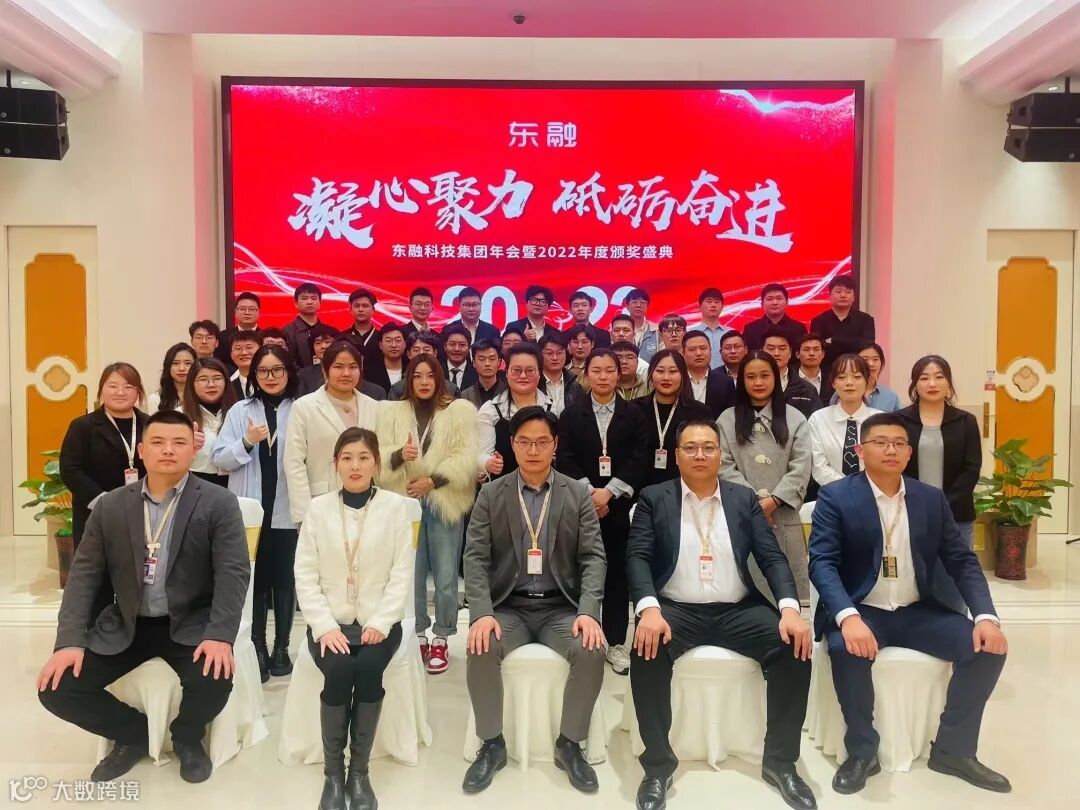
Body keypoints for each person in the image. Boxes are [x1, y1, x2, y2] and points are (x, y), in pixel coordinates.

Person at [39, 410, 248, 784]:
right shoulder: (111, 505)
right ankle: (132, 733)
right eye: (158, 442)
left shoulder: (218, 503)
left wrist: (220, 635)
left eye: (179, 442)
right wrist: (68, 641)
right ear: (141, 450)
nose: (168, 450)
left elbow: (233, 573)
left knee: (214, 678)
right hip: (128, 623)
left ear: (193, 450)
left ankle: (187, 738)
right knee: (58, 688)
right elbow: (84, 577)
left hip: (190, 623)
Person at [808, 413, 1011, 795]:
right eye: (880, 442)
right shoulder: (836, 497)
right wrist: (847, 617)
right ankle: (862, 752)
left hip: (917, 610)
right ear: (860, 450)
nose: (891, 449)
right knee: (845, 649)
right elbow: (822, 563)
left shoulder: (929, 499)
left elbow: (962, 561)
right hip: (863, 608)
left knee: (987, 649)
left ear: (909, 452)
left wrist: (986, 616)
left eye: (899, 443)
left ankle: (953, 750)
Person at [626, 418, 815, 810]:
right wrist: (649, 609)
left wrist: (790, 609)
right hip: (675, 609)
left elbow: (772, 558)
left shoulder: (742, 499)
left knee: (794, 645)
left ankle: (781, 763)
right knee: (646, 649)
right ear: (676, 455)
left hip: (737, 609)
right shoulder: (654, 497)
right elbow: (638, 557)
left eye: (708, 447)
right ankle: (657, 767)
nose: (700, 455)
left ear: (719, 453)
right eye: (691, 448)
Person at [462, 406, 607, 794]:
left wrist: (588, 612)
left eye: (542, 442)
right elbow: (475, 557)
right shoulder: (492, 493)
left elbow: (593, 557)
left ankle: (570, 744)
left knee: (592, 649)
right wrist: (481, 613)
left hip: (560, 606)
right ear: (512, 444)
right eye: (524, 442)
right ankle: (491, 744)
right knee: (480, 645)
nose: (533, 450)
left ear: (555, 445)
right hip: (509, 606)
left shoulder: (577, 493)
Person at [294, 427, 415, 810]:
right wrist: (324, 626)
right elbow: (304, 573)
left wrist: (381, 622)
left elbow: (402, 572)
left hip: (380, 622)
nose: (355, 465)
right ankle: (334, 774)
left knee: (367, 668)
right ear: (336, 464)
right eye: (346, 458)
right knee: (339, 668)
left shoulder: (394, 508)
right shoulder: (318, 509)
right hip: (330, 623)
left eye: (364, 457)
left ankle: (359, 773)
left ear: (376, 463)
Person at [375, 355, 478, 673]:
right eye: (417, 376)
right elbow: (377, 456)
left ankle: (442, 637)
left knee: (446, 577)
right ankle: (417, 633)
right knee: (411, 576)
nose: (423, 381)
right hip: (405, 503)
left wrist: (431, 481)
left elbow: (466, 457)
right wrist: (398, 455)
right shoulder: (390, 412)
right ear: (408, 380)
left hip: (443, 500)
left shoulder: (459, 411)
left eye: (429, 375)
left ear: (439, 379)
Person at [556, 349, 649, 674]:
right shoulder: (571, 414)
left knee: (616, 576)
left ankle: (616, 642)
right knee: (576, 571)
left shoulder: (634, 413)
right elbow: (565, 457)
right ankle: (578, 638)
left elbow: (640, 457)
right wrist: (589, 494)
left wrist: (608, 493)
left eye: (610, 370)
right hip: (579, 506)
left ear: (618, 373)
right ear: (586, 375)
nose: (604, 376)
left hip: (618, 508)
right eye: (597, 370)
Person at [214, 345, 300, 681]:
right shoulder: (240, 411)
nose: (270, 377)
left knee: (285, 579)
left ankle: (282, 648)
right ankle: (258, 647)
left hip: (288, 510)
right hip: (250, 514)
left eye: (277, 369)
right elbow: (220, 459)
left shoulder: (301, 409)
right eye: (263, 371)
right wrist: (247, 442)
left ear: (288, 371)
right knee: (256, 580)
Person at [717, 352, 813, 603]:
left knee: (788, 597)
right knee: (742, 595)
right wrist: (754, 502)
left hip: (783, 515)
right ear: (742, 381)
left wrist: (775, 500)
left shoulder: (795, 418)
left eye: (764, 375)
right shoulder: (727, 419)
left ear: (776, 378)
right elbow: (723, 465)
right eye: (750, 377)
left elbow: (802, 465)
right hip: (741, 513)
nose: (758, 382)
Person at [898, 356, 983, 614]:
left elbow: (971, 468)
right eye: (924, 378)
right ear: (915, 384)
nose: (932, 383)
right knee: (912, 580)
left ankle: (955, 628)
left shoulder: (965, 421)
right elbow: (896, 465)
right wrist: (917, 503)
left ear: (949, 383)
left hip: (956, 515)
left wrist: (942, 506)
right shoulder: (900, 420)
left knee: (954, 582)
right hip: (909, 512)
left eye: (938, 377)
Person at [286, 341, 381, 531]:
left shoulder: (372, 406)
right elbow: (294, 462)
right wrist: (304, 514)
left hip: (367, 503)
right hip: (321, 502)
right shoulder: (304, 407)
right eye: (338, 367)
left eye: (352, 367)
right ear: (324, 370)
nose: (346, 373)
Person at [60, 364, 149, 550]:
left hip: (143, 510)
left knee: (139, 561)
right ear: (101, 390)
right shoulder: (83, 426)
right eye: (113, 386)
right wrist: (103, 501)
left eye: (128, 386)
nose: (120, 392)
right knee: (96, 562)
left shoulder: (150, 425)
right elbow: (70, 469)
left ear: (138, 392)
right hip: (94, 511)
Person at [632, 349, 712, 488]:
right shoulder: (634, 409)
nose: (666, 377)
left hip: (685, 488)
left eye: (673, 371)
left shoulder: (699, 412)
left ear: (683, 375)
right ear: (651, 374)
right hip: (639, 488)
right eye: (660, 371)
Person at [477, 344, 553, 481]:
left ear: (539, 373)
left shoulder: (554, 408)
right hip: (503, 486)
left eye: (530, 370)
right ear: (506, 373)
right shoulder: (491, 409)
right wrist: (488, 463)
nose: (523, 376)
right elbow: (481, 453)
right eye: (516, 370)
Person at [807, 354, 881, 488]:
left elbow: (884, 462)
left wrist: (866, 488)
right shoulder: (818, 419)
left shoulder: (880, 420)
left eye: (857, 377)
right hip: (832, 493)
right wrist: (846, 490)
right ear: (833, 383)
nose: (849, 382)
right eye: (841, 377)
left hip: (873, 492)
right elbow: (819, 466)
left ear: (867, 381)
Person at [181, 357, 236, 488]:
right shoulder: (179, 416)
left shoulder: (239, 412)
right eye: (203, 379)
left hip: (235, 481)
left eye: (217, 378)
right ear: (192, 383)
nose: (211, 384)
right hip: (196, 483)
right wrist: (183, 442)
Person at [809, 275, 874, 376]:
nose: (843, 295)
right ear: (829, 296)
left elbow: (867, 345)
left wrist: (834, 340)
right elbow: (818, 350)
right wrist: (853, 343)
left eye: (848, 292)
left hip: (857, 372)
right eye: (838, 291)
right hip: (827, 373)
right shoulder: (818, 321)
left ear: (854, 297)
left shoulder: (865, 319)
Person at [761, 328, 822, 419]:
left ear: (790, 353)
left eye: (782, 348)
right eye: (771, 348)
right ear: (761, 351)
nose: (776, 353)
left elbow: (817, 421)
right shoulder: (751, 385)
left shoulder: (807, 389)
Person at [389, 330, 459, 399]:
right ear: (409, 354)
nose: (421, 354)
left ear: (435, 353)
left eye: (426, 350)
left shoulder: (451, 389)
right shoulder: (398, 390)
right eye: (416, 350)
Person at [682, 330, 735, 418]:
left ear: (710, 350)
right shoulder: (678, 381)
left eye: (703, 348)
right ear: (683, 353)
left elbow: (730, 416)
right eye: (692, 349)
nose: (698, 353)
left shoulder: (725, 382)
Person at [835, 342, 900, 412]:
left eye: (875, 359)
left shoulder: (891, 397)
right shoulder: (842, 392)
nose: (871, 364)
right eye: (865, 359)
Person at [743, 283, 807, 350]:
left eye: (779, 298)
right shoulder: (750, 329)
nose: (775, 303)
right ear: (762, 304)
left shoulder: (799, 328)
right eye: (770, 299)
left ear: (787, 302)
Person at [282, 281, 326, 371]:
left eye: (314, 298)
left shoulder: (329, 332)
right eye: (304, 298)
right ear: (296, 303)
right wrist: (306, 376)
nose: (309, 302)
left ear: (320, 302)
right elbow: (288, 362)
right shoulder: (287, 332)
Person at [539, 333, 584, 416]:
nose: (555, 357)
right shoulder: (534, 383)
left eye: (559, 353)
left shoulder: (575, 386)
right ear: (540, 355)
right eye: (549, 353)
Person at [341, 288, 385, 373]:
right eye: (357, 306)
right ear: (350, 309)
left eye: (365, 306)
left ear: (373, 310)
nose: (360, 309)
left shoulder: (382, 338)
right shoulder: (342, 338)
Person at [216, 291, 261, 366]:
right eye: (242, 309)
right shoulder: (222, 337)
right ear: (235, 312)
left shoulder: (265, 337)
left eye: (252, 309)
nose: (247, 312)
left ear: (259, 312)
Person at [148, 343, 196, 412]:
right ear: (168, 367)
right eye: (176, 363)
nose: (182, 368)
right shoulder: (156, 399)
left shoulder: (203, 395)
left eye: (188, 363)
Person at [459, 339, 507, 408]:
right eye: (482, 359)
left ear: (499, 362)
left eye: (492, 359)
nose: (487, 363)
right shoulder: (465, 395)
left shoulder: (508, 392)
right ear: (474, 363)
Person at [364, 323, 407, 392]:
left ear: (405, 344)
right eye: (388, 341)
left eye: (398, 341)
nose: (393, 345)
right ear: (380, 345)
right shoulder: (368, 373)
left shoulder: (412, 370)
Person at [694, 287, 729, 368]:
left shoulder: (731, 333)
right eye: (709, 301)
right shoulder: (690, 334)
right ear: (700, 306)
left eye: (717, 302)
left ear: (722, 307)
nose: (713, 305)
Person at [625, 288, 659, 362]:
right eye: (634, 302)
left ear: (647, 306)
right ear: (627, 306)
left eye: (642, 302)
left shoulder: (657, 330)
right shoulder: (619, 330)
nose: (638, 305)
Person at [442, 323, 478, 390]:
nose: (457, 349)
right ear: (445, 347)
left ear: (469, 348)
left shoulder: (477, 373)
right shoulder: (436, 371)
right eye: (452, 344)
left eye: (462, 345)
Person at [796, 333, 830, 402]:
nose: (811, 353)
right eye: (806, 349)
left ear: (823, 354)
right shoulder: (789, 378)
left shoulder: (832, 380)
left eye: (816, 349)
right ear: (797, 354)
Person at [228, 331, 261, 400]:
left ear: (261, 351)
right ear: (231, 354)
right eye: (238, 348)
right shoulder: (226, 384)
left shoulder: (271, 380)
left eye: (249, 347)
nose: (244, 352)